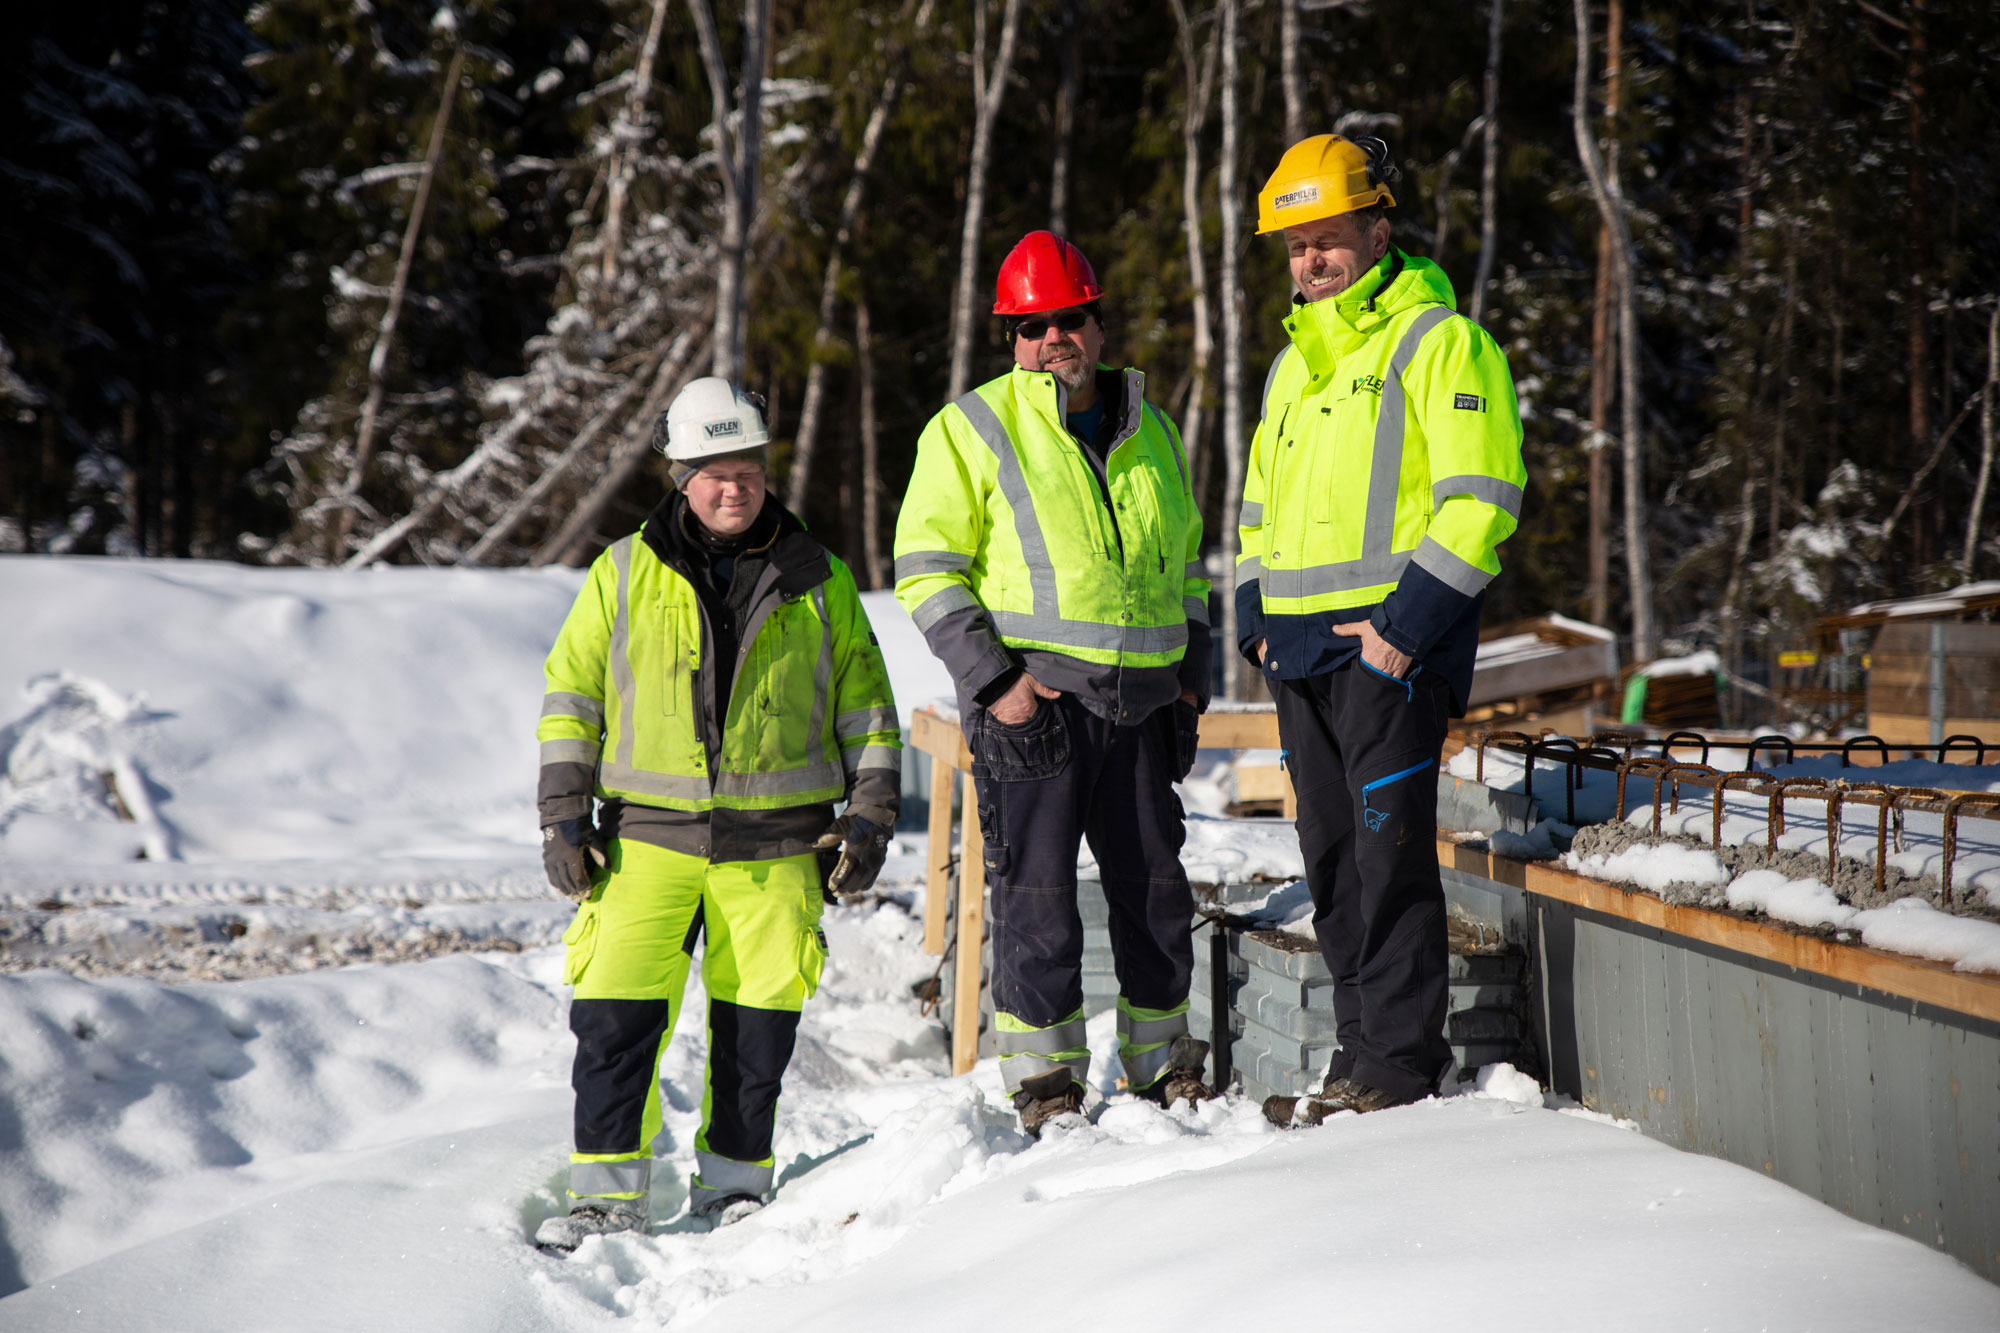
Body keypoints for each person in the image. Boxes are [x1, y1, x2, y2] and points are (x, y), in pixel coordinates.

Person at [532, 377, 901, 1248]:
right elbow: (571, 697)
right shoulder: (621, 570)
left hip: (776, 845)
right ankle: (606, 1199)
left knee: (756, 1033)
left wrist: (872, 814)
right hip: (643, 842)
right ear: (678, 475)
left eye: (743, 468)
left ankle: (734, 1189)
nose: (729, 486)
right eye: (709, 470)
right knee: (615, 1022)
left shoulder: (820, 576)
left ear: (765, 469)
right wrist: (561, 816)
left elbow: (869, 710)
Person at [894, 231, 1212, 1136]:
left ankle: (1162, 1068)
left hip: (1144, 706)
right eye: (1029, 327)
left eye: (1066, 320)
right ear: (1010, 338)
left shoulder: (1153, 429)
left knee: (1155, 890)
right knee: (1036, 897)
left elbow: (1185, 565)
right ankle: (1047, 1088)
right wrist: (997, 684)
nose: (1050, 341)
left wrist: (1188, 683)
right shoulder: (972, 427)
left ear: (1098, 325)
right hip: (1033, 708)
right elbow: (924, 567)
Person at [1238, 134, 1527, 1122]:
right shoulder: (1289, 369)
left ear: (1377, 228)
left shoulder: (1437, 341)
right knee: (1328, 858)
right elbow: (1252, 515)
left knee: (1386, 855)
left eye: (1328, 240)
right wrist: (1254, 625)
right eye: (1294, 246)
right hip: (1300, 658)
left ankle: (1398, 1069)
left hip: (1387, 657)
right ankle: (1356, 1058)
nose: (1311, 261)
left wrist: (1401, 628)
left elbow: (1480, 499)